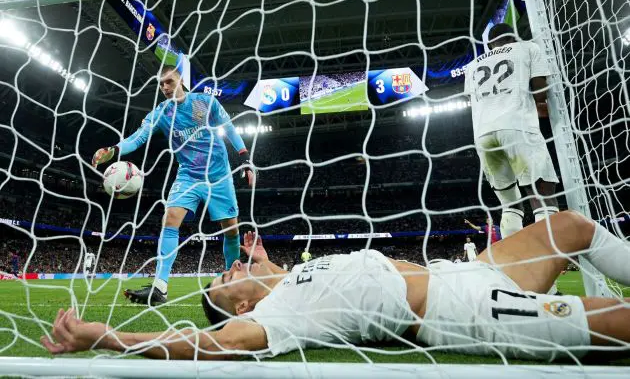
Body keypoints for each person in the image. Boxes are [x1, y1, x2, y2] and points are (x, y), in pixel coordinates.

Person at [42, 211, 630, 361]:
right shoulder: (283, 313)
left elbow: (266, 272)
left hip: (466, 272)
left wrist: (262, 260)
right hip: (465, 310)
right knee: (617, 323)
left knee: (571, 227)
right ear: (244, 304)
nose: (228, 268)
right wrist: (111, 337)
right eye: (226, 281)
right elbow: (220, 342)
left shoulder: (291, 275)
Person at [91, 65, 255, 305]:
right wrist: (114, 150)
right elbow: (138, 137)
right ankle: (160, 287)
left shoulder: (203, 102)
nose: (164, 87)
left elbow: (228, 127)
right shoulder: (162, 112)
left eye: (169, 82)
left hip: (218, 175)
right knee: (170, 218)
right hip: (188, 175)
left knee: (230, 230)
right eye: (161, 84)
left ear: (181, 81)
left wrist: (245, 159)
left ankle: (234, 280)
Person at [464, 23, 560, 239]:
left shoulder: (471, 66)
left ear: (490, 44)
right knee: (542, 193)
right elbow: (540, 92)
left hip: (483, 135)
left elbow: (473, 100)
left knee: (510, 205)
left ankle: (515, 264)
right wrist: (543, 104)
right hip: (517, 125)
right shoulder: (528, 48)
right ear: (514, 37)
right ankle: (549, 253)